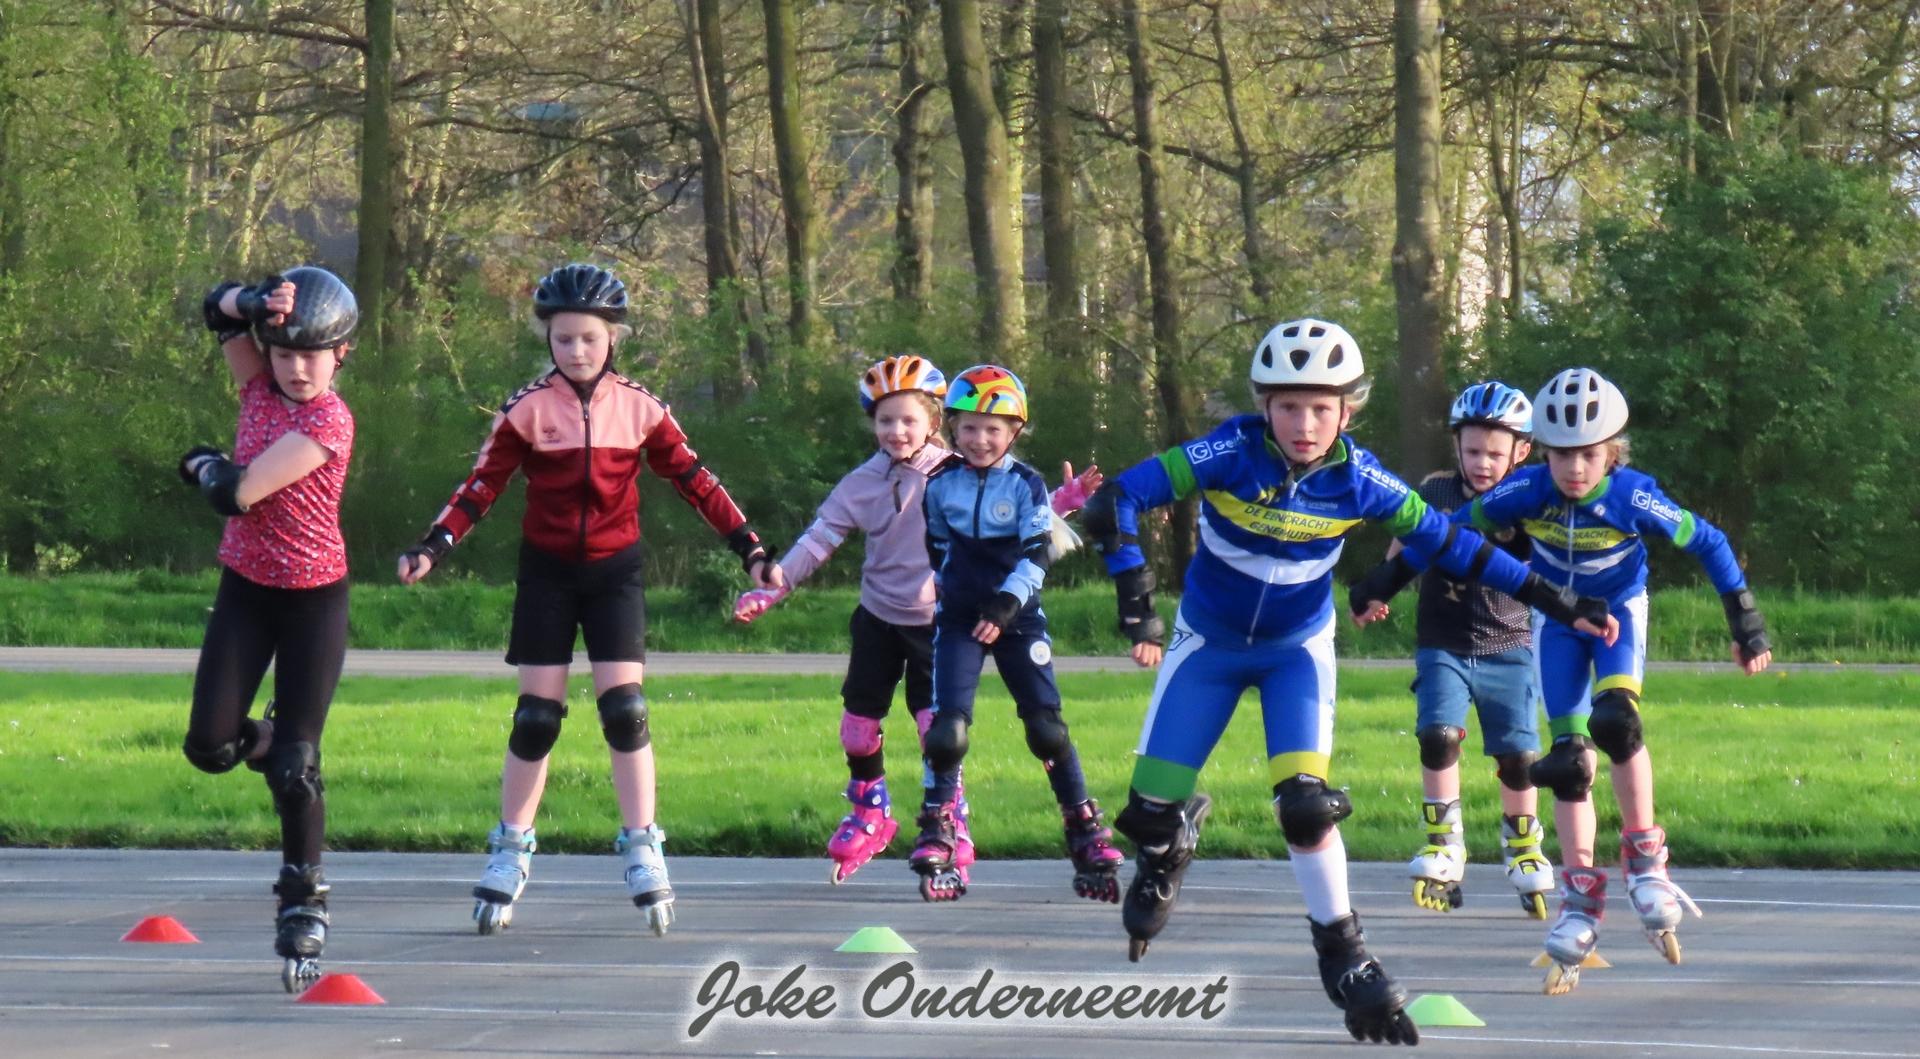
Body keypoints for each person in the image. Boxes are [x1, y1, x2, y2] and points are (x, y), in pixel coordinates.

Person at [1083, 320, 1619, 1046]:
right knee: (1146, 811)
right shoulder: (1229, 452)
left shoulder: (1363, 479)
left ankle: (1345, 952)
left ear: (1348, 410)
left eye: (1322, 407)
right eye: (1288, 406)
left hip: (1294, 652)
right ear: (1263, 405)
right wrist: (1134, 593)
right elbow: (1116, 498)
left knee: (1306, 807)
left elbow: (1458, 546)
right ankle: (1167, 844)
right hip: (1207, 643)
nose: (1304, 424)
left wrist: (1558, 601)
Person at [397, 263, 778, 937]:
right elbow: (480, 486)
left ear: (613, 339)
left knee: (624, 710)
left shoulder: (639, 407)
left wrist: (748, 545)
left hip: (614, 572)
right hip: (546, 573)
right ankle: (511, 847)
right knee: (536, 719)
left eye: (590, 339)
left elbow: (694, 478)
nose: (576, 351)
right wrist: (434, 546)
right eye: (564, 338)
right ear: (548, 338)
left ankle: (642, 844)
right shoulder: (528, 408)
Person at [1435, 367, 1771, 995]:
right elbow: (1447, 533)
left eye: (1589, 454)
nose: (1575, 468)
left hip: (1618, 616)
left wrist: (1745, 622)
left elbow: (1710, 540)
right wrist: (1383, 584)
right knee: (1566, 765)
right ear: (1543, 452)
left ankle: (1645, 857)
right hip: (1558, 624)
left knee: (1616, 723)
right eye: (1562, 453)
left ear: (1612, 451)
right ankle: (1579, 897)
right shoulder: (1526, 492)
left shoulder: (1632, 495)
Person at [177, 265, 359, 992]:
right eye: (283, 353)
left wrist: (198, 463)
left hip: (313, 601)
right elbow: (211, 310)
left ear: (340, 353)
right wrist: (250, 303)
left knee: (295, 766)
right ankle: (275, 744)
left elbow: (239, 491)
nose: (296, 368)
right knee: (209, 746)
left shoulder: (327, 421)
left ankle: (303, 898)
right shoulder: (257, 385)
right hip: (247, 591)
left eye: (311, 355)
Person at [909, 365, 1125, 904]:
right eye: (969, 427)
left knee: (1046, 729)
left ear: (1015, 433)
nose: (980, 439)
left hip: (1017, 614)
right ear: (951, 427)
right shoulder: (939, 484)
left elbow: (1037, 553)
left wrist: (1005, 605)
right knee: (946, 731)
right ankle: (938, 824)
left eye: (994, 429)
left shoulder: (1026, 485)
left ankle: (1082, 825)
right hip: (961, 616)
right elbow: (937, 547)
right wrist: (955, 598)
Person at [1351, 382, 1557, 919]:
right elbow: (1404, 543)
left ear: (1521, 451)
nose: (1483, 463)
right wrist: (1380, 589)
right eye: (1472, 451)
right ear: (1456, 448)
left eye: (1495, 452)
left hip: (1509, 644)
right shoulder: (1437, 491)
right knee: (1437, 736)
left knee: (1519, 757)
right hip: (1442, 641)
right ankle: (1445, 842)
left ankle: (1522, 844)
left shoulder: (1531, 497)